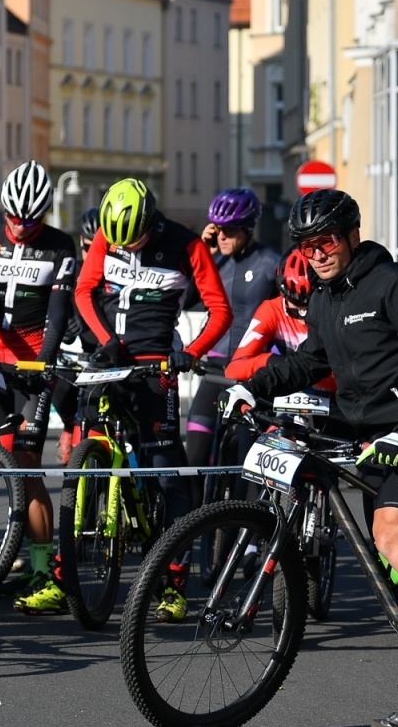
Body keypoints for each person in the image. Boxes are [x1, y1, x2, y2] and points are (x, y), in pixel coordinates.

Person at [221, 188, 398, 727]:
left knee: (392, 538)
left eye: (327, 241)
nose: (318, 253)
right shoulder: (324, 298)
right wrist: (250, 386)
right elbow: (310, 360)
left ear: (351, 234)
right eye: (308, 246)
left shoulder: (396, 284)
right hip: (369, 439)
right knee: (396, 563)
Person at [66, 178, 231, 615]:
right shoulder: (106, 235)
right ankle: (73, 559)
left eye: (133, 240)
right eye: (117, 243)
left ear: (150, 221)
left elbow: (221, 310)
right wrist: (104, 340)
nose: (126, 248)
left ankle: (175, 580)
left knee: (165, 470)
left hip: (156, 366)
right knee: (85, 449)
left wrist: (190, 354)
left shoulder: (186, 243)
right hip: (109, 358)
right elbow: (83, 291)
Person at [0, 160, 79, 613]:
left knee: (27, 464)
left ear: (45, 213)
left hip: (35, 364)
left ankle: (45, 570)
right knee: (3, 462)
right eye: (12, 218)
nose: (19, 227)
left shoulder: (60, 246)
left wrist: (44, 362)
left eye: (29, 220)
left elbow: (59, 313)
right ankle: (17, 555)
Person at [183, 187, 280, 475]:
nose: (222, 236)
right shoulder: (214, 260)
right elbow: (185, 299)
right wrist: (203, 253)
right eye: (217, 229)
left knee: (248, 466)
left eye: (230, 230)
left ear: (249, 228)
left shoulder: (270, 263)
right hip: (214, 370)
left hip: (253, 375)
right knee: (194, 458)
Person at [225, 248, 333, 391]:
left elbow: (346, 379)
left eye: (309, 310)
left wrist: (298, 372)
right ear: (282, 293)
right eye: (296, 309)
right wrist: (271, 360)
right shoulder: (272, 309)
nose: (302, 316)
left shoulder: (335, 311)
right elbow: (233, 369)